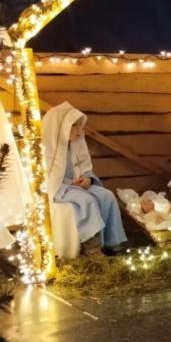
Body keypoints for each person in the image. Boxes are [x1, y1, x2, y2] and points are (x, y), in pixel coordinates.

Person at [42, 103, 127, 256]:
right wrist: (69, 183)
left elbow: (85, 166)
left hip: (79, 183)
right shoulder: (48, 147)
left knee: (107, 196)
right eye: (74, 125)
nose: (79, 130)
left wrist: (88, 179)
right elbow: (50, 176)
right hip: (61, 187)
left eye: (80, 125)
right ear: (61, 126)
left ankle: (112, 242)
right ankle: (92, 245)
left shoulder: (78, 142)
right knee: (86, 200)